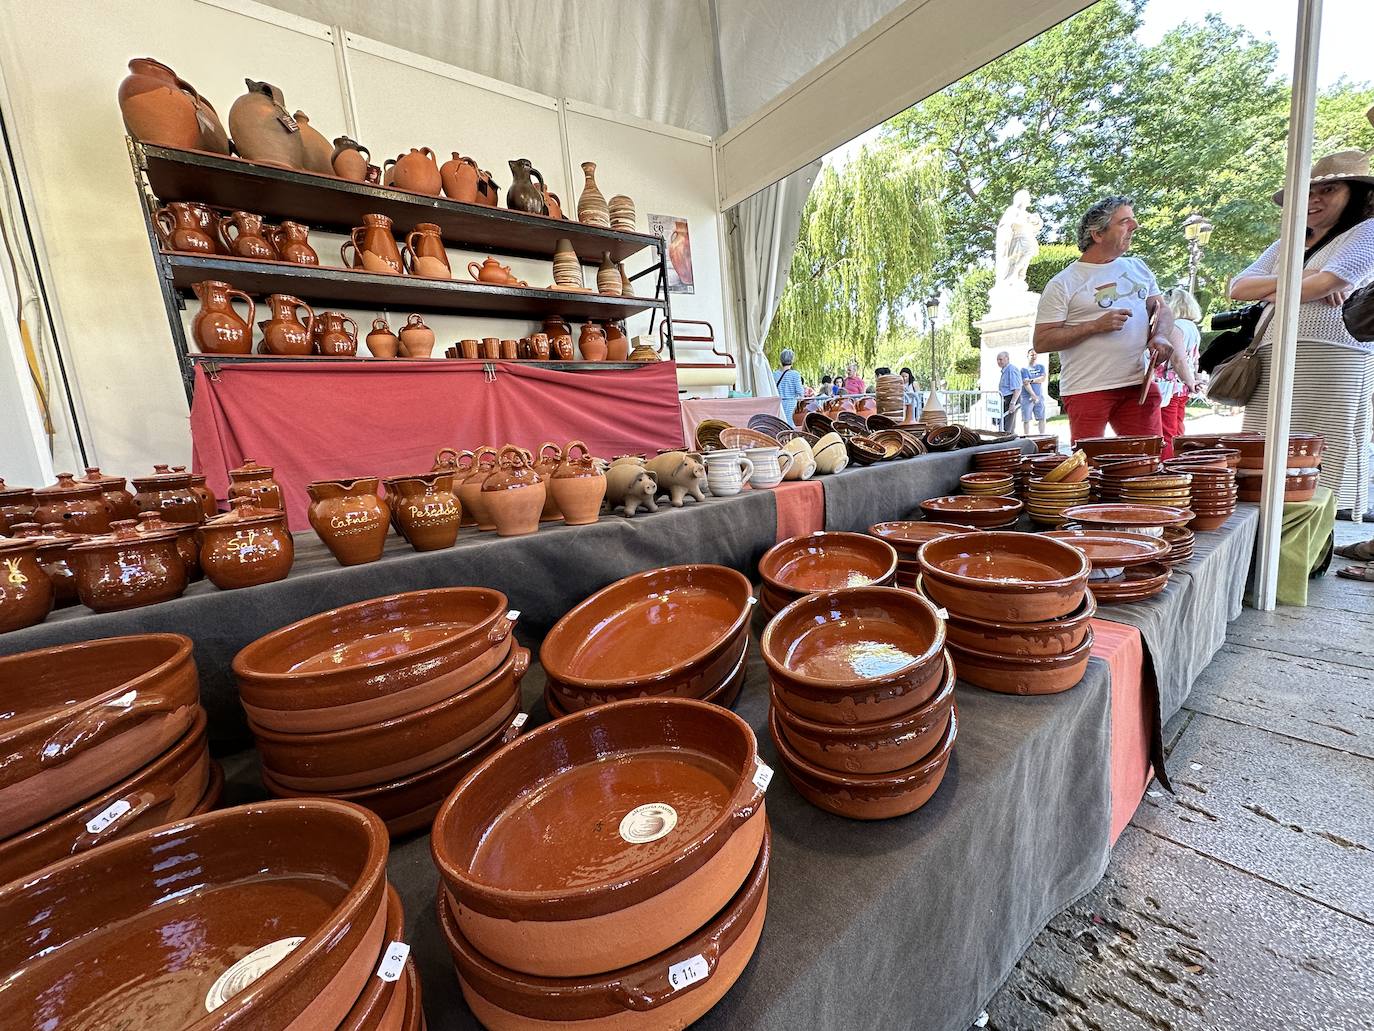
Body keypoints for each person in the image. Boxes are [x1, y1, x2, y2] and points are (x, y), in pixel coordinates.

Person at [1230, 148, 1374, 524]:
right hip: (1273, 351)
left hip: (1334, 354)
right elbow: (1238, 287)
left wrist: (1279, 288)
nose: (1313, 200)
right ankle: (1268, 535)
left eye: (1328, 191)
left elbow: (1326, 283)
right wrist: (1303, 281)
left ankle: (1312, 546)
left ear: (1355, 193)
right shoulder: (1286, 244)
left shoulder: (1367, 231)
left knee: (1323, 450)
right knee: (1264, 448)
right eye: (1308, 192)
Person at [1033, 195, 1176, 443]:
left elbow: (1162, 309)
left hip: (1136, 384)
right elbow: (1042, 341)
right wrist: (1095, 326)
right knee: (1089, 465)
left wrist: (1161, 335)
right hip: (1087, 388)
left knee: (1149, 464)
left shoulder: (1138, 267)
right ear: (1097, 234)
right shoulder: (1063, 283)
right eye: (1124, 222)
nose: (1135, 226)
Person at [1155, 287, 1203, 459]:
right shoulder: (1192, 328)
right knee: (1177, 430)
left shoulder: (1175, 327)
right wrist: (1193, 381)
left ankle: (1168, 469)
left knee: (1165, 433)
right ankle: (1180, 462)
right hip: (1182, 388)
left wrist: (1189, 381)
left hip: (1168, 387)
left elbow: (1178, 358)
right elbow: (1194, 360)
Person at [1020, 349, 1047, 435]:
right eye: (1032, 355)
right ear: (1028, 356)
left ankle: (1042, 435)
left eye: (1035, 355)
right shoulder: (1024, 369)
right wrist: (1033, 395)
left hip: (1039, 396)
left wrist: (1031, 380)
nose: (1034, 357)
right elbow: (1025, 384)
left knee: (1041, 417)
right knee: (1026, 419)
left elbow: (1042, 379)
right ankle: (1026, 436)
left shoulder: (1041, 367)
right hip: (1027, 397)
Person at [773, 348, 805, 416]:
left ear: (781, 360)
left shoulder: (775, 374)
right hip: (791, 404)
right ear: (792, 360)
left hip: (778, 404)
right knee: (790, 424)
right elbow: (800, 392)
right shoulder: (795, 374)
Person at [996, 351, 1022, 432]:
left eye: (1000, 359)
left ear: (1007, 359)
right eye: (997, 360)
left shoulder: (1011, 369)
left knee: (1008, 425)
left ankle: (1009, 441)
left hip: (1011, 398)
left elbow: (1017, 388)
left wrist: (1012, 403)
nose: (998, 362)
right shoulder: (1005, 370)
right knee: (1003, 423)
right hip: (1006, 399)